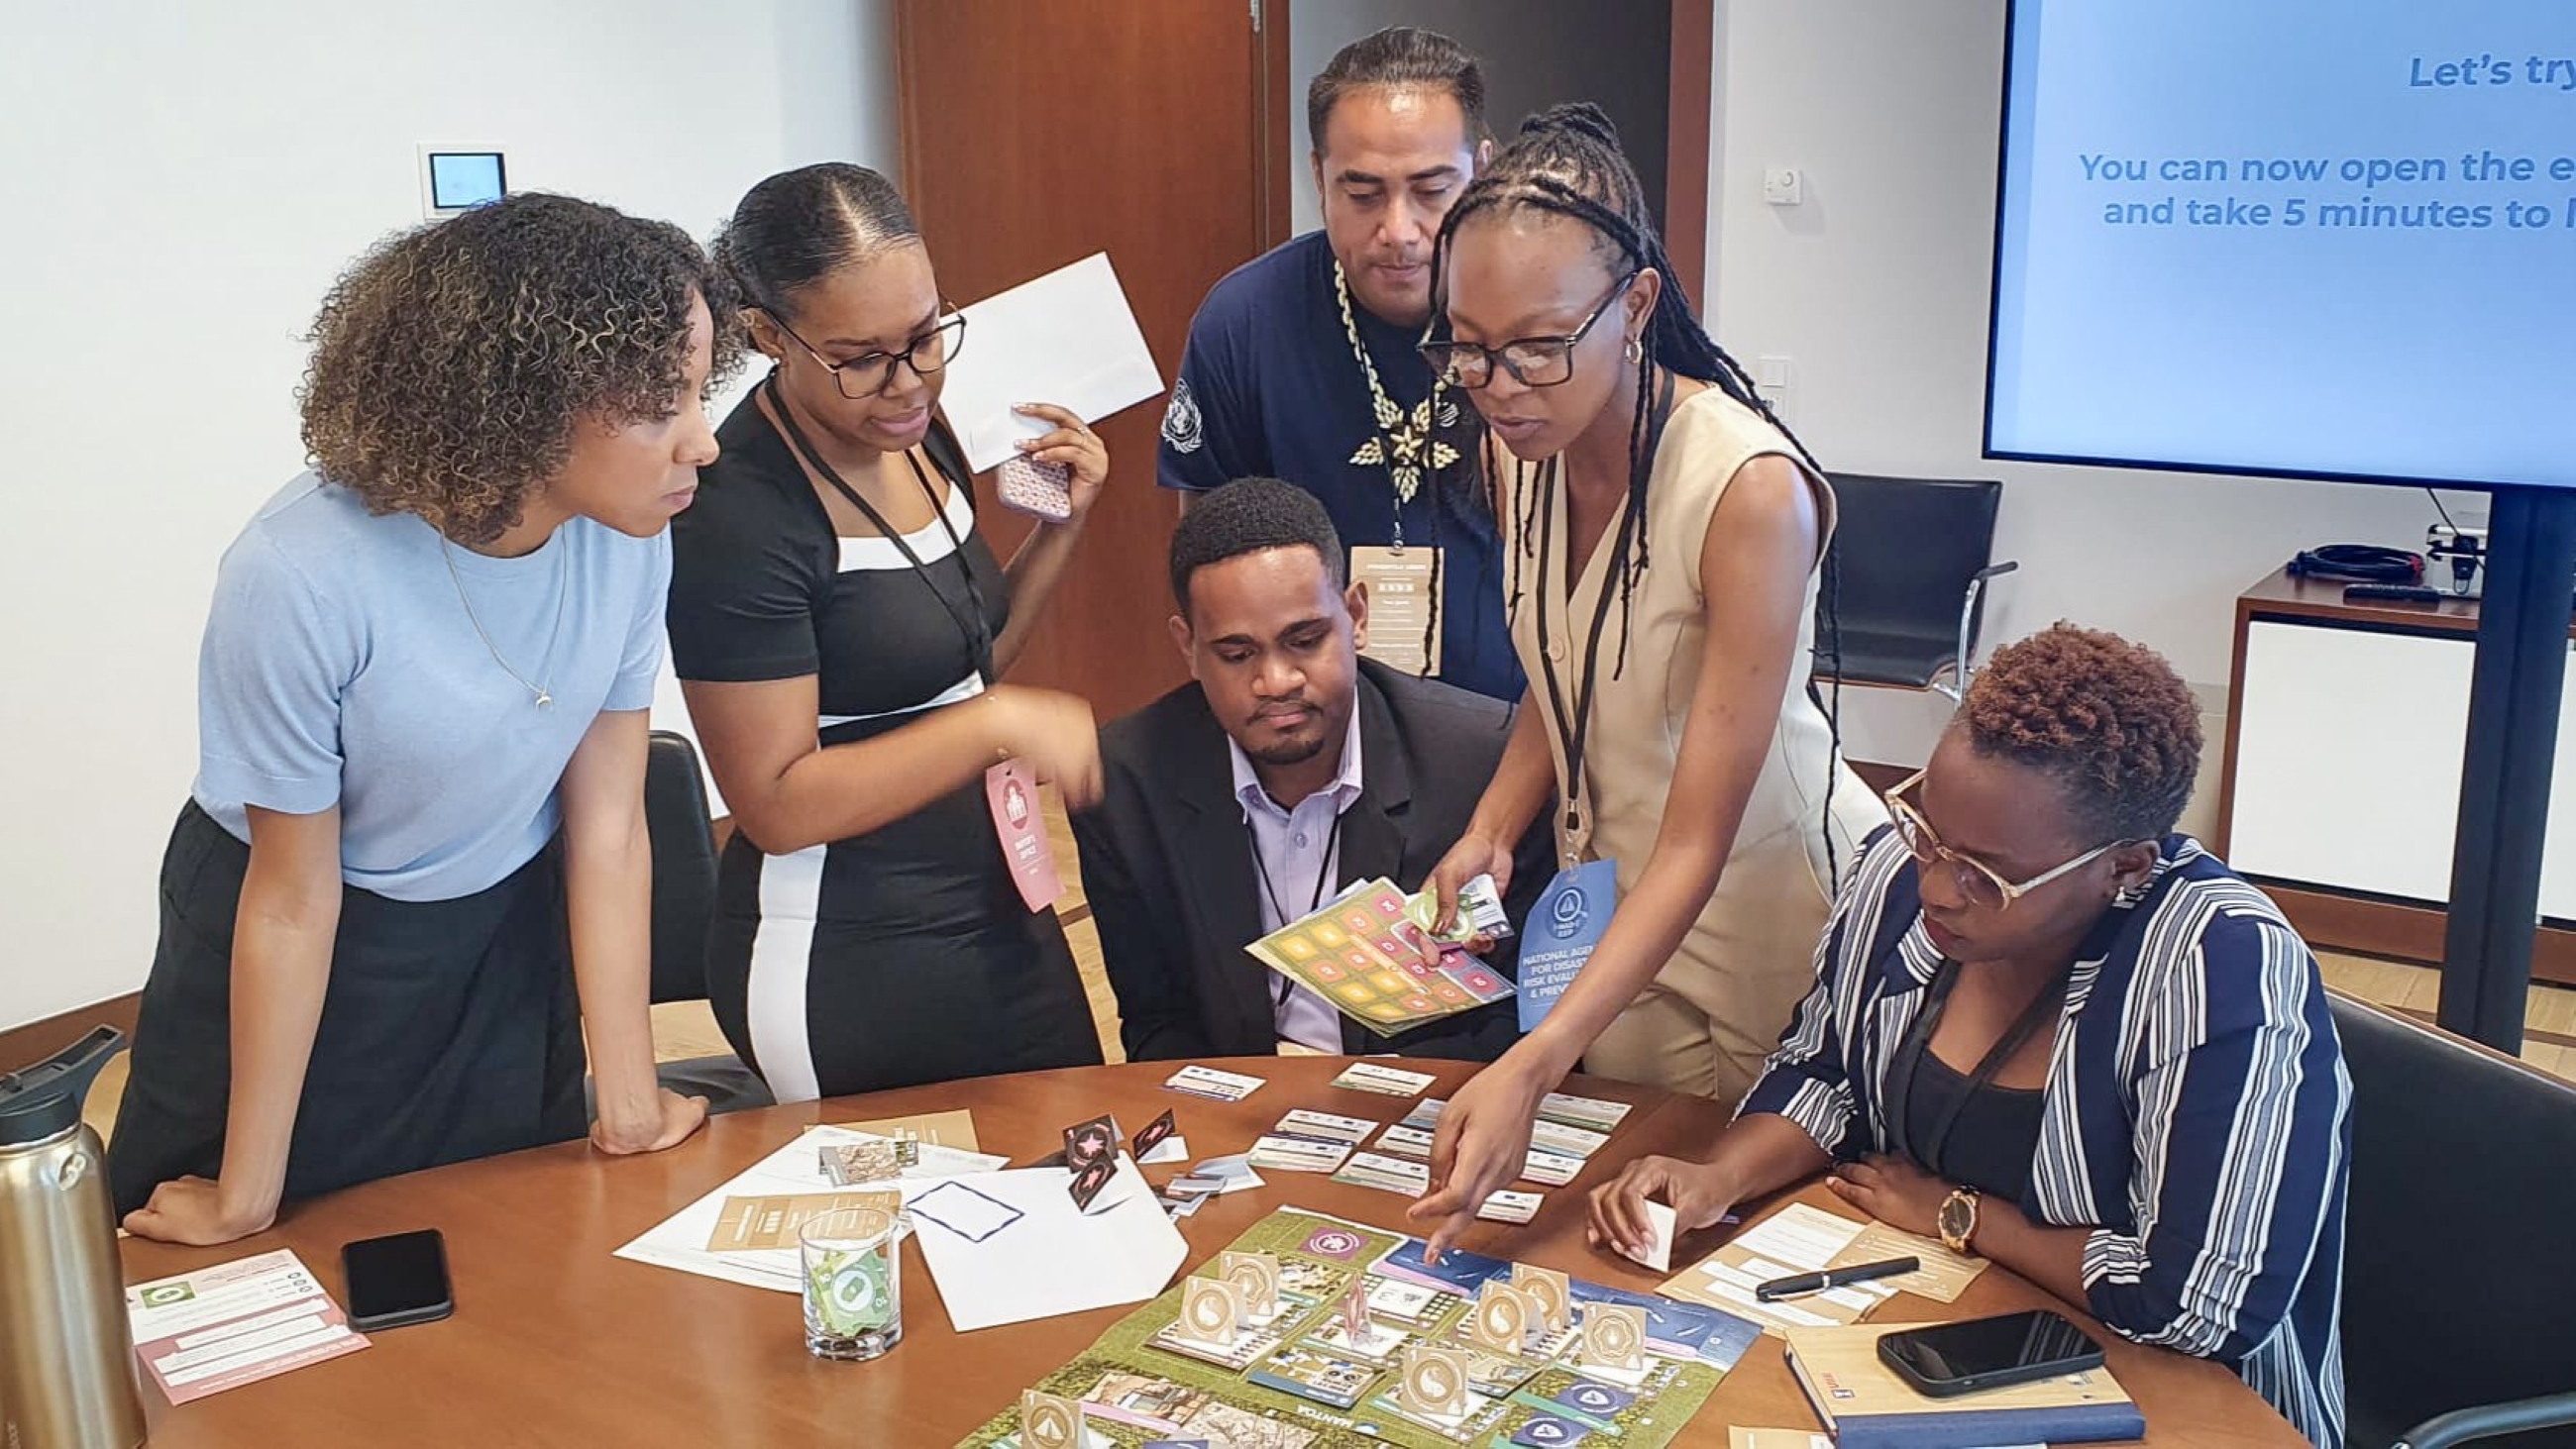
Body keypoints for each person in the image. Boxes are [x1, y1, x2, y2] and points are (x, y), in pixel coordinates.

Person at [110, 194, 724, 1242]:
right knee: (266, 1282)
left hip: (492, 926)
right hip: (296, 925)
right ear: (523, 401)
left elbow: (610, 823)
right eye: (659, 404)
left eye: (701, 391)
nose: (702, 443)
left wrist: (626, 1097)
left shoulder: (630, 534)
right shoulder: (301, 572)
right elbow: (292, 900)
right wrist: (244, 1189)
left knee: (505, 1247)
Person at [1588, 625, 2352, 1448]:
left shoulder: (2219, 966)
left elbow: (2201, 1300)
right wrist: (1719, 1175)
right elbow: (1826, 1072)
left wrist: (1962, 1216)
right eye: (1928, 830)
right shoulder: (1895, 876)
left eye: (1985, 874)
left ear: (2124, 867)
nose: (1935, 887)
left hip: (2178, 1400)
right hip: (1926, 1338)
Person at [1408, 105, 1887, 1250]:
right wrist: (1490, 823)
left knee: (1737, 1238)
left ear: (1632, 307)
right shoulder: (1516, 447)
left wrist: (1536, 1054)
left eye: (1535, 344)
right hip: (1618, 930)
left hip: (1764, 933)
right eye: (1466, 346)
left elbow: (1697, 839)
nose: (1498, 384)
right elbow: (1565, 667)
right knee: (1605, 1235)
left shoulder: (1745, 493)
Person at [667, 163, 1106, 1101]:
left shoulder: (913, 421)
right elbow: (775, 804)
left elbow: (970, 662)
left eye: (926, 336)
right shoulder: (736, 515)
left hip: (996, 900)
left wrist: (1059, 525)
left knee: (1076, 1161)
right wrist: (998, 729)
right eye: (862, 356)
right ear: (766, 334)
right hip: (841, 950)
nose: (908, 381)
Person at [1073, 479, 1550, 1062]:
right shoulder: (1127, 779)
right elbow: (1156, 1020)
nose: (1276, 682)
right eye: (1237, 654)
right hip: (1238, 1113)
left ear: (1356, 615)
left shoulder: (1482, 764)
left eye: (1304, 640)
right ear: (1188, 649)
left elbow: (1527, 1016)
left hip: (1429, 1107)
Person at [1159, 27, 1520, 703]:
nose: (1399, 231)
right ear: (1318, 175)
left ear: (1484, 170)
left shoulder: (1540, 317)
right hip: (1317, 727)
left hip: (1523, 723)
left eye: (1432, 190)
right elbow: (1209, 557)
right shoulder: (1245, 321)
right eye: (1362, 194)